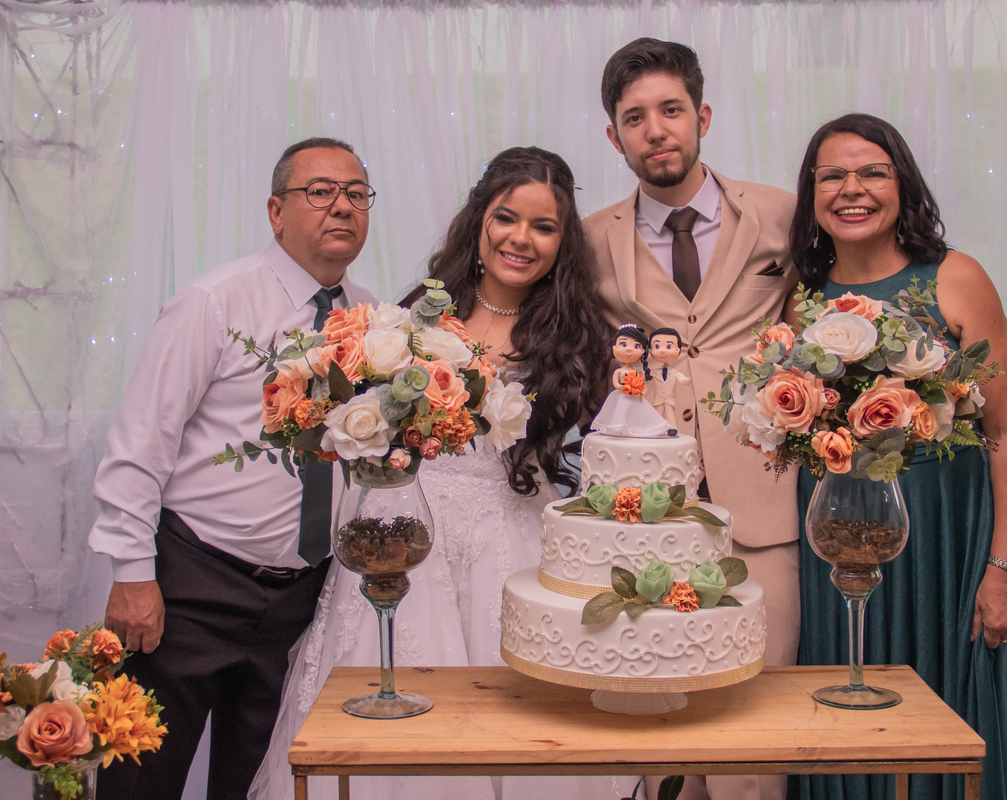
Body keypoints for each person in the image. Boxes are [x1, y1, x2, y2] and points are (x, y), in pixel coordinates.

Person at [249, 146, 636, 800]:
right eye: (506, 218)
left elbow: (619, 445)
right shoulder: (420, 314)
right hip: (404, 531)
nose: (520, 238)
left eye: (543, 226)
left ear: (563, 241)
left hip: (511, 542)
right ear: (479, 220)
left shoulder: (577, 337)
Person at [88, 137, 378, 800]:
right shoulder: (214, 302)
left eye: (357, 194)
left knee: (258, 786)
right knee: (141, 784)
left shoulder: (369, 317)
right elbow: (139, 445)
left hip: (301, 601)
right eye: (320, 192)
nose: (342, 206)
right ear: (276, 212)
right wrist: (132, 575)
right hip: (191, 586)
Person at [785, 113, 1007, 800]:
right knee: (839, 724)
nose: (852, 189)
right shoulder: (801, 296)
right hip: (833, 543)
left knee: (941, 727)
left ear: (904, 185)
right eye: (832, 176)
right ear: (811, 193)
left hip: (941, 541)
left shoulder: (956, 278)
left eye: (873, 172)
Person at [584, 37, 799, 800]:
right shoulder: (588, 239)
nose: (656, 130)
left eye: (671, 110)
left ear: (702, 117)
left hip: (763, 507)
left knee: (753, 737)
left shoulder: (780, 213)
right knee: (659, 731)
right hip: (647, 515)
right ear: (614, 136)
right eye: (635, 118)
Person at [591, 323, 672, 437]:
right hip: (621, 395)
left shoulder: (636, 371)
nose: (629, 349)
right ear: (614, 348)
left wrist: (639, 391)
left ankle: (636, 428)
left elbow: (641, 384)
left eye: (636, 346)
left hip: (635, 396)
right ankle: (619, 428)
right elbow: (616, 383)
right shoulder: (619, 371)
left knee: (638, 412)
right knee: (621, 411)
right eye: (623, 344)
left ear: (642, 351)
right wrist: (624, 387)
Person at [647, 327, 691, 430]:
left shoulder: (675, 373)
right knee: (657, 414)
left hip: (670, 400)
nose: (662, 350)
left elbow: (680, 378)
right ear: (651, 350)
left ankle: (672, 429)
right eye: (657, 346)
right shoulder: (654, 372)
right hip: (658, 400)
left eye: (668, 346)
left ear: (677, 349)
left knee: (670, 414)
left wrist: (684, 380)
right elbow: (647, 382)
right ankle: (656, 429)